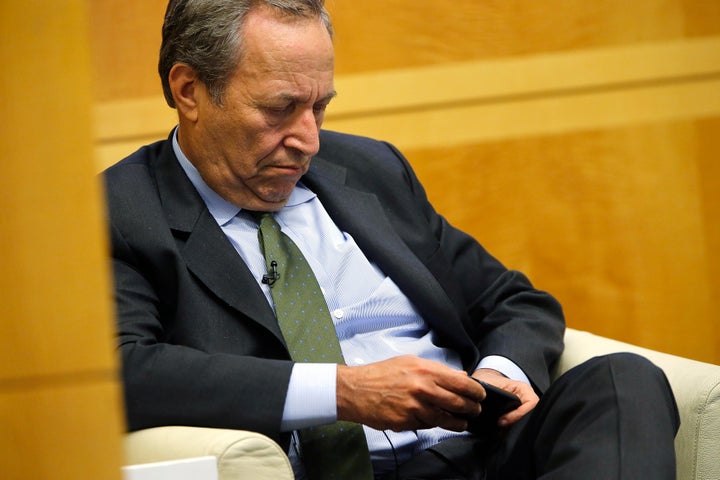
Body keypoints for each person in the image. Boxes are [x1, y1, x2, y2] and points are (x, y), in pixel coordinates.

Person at [104, 1, 680, 479]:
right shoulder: (120, 213)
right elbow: (123, 372)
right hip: (338, 469)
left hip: (478, 455)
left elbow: (513, 300)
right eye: (280, 109)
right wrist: (341, 391)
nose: (307, 139)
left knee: (621, 381)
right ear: (189, 91)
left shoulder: (369, 168)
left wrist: (499, 375)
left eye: (319, 107)